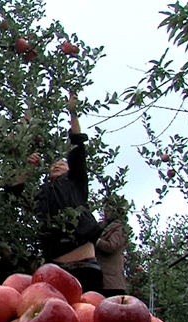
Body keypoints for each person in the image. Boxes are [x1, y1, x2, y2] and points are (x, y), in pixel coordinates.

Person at [29, 91, 103, 292]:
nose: (58, 166)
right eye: (54, 164)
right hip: (55, 270)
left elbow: (78, 147)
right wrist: (27, 166)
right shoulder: (42, 193)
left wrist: (73, 114)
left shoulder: (76, 183)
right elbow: (15, 189)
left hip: (85, 265)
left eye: (63, 163)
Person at [95, 199, 129, 297]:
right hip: (103, 281)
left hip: (111, 283)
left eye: (107, 209)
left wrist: (96, 240)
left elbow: (111, 246)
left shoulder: (119, 227)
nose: (105, 211)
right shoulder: (104, 225)